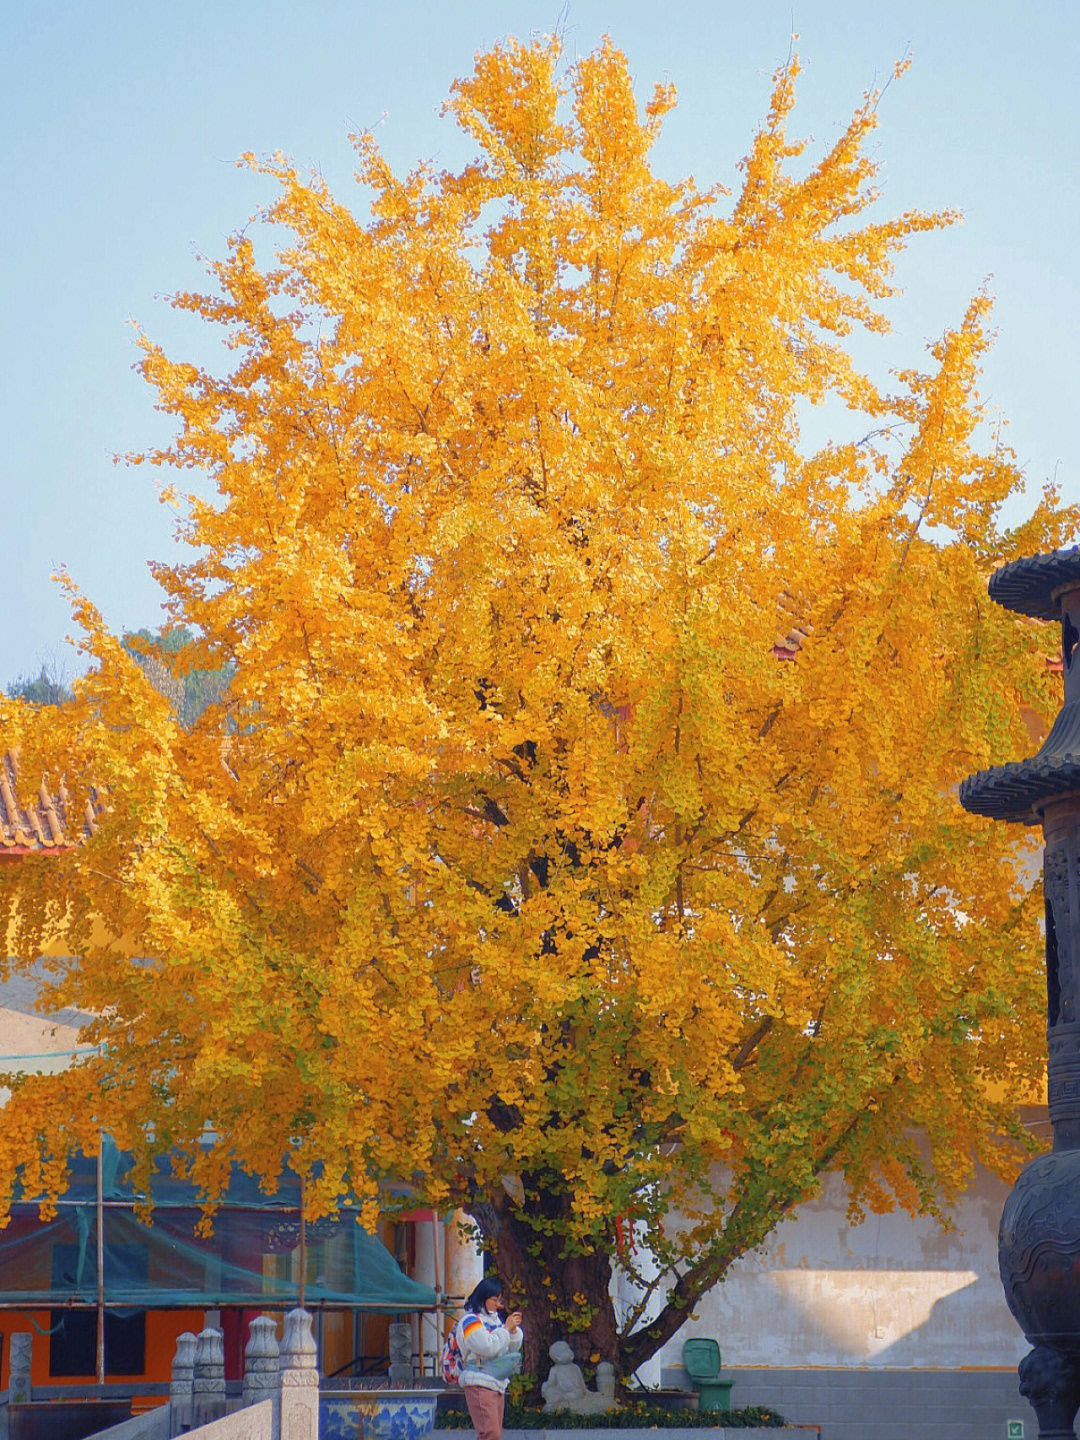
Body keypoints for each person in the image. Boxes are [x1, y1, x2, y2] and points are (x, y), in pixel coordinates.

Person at [455, 1274, 523, 1440]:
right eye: (495, 1299)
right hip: (479, 1380)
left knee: (492, 1433)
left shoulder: (497, 1322)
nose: (499, 1305)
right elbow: (487, 1347)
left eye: (500, 1300)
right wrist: (506, 1330)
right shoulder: (470, 1320)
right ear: (483, 1298)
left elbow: (509, 1349)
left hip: (497, 1382)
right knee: (490, 1433)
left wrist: (513, 1332)